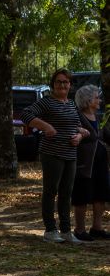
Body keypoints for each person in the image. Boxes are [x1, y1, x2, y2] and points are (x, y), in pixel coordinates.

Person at [20, 68, 90, 244]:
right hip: (52, 153)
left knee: (66, 193)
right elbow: (25, 114)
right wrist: (44, 126)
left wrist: (80, 136)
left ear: (70, 85)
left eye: (66, 82)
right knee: (51, 191)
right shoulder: (47, 102)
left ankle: (66, 231)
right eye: (59, 82)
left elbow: (78, 126)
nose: (62, 85)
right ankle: (50, 230)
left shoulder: (71, 104)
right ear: (53, 84)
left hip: (70, 154)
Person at [71, 84, 110, 241]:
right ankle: (80, 230)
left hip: (101, 162)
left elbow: (106, 135)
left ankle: (97, 228)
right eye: (96, 97)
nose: (99, 100)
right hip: (84, 163)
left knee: (101, 193)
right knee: (81, 195)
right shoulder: (77, 117)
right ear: (87, 100)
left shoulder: (99, 116)